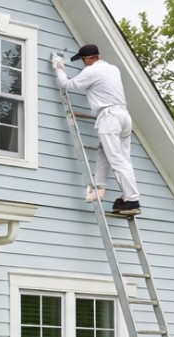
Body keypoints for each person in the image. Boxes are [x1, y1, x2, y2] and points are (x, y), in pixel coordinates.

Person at [52, 44, 140, 216]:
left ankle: (132, 199)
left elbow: (67, 84)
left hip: (109, 117)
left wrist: (58, 67)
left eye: (84, 60)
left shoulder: (92, 71)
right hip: (124, 117)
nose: (84, 64)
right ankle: (100, 187)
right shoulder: (113, 69)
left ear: (91, 58)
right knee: (111, 154)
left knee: (117, 161)